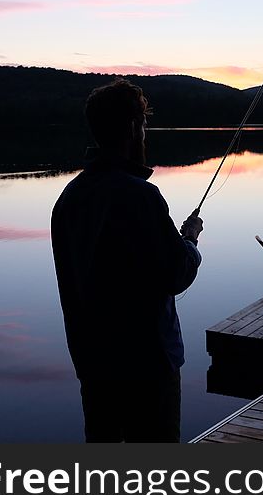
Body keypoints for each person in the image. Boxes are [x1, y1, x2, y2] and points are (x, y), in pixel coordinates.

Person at [51, 78, 203, 442]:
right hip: (148, 366)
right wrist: (191, 241)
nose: (145, 133)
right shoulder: (141, 196)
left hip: (93, 363)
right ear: (134, 127)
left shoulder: (68, 199)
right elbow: (175, 273)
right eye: (144, 124)